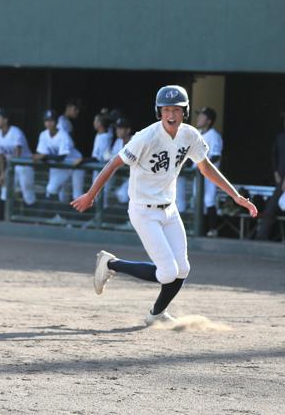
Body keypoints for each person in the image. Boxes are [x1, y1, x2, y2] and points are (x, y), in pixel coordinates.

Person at [71, 85, 257, 325]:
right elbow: (113, 164)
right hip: (143, 211)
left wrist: (235, 196)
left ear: (185, 112)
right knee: (167, 272)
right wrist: (90, 194)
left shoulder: (189, 135)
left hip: (169, 210)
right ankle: (110, 264)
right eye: (166, 109)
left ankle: (156, 314)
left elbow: (205, 166)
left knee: (183, 270)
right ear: (159, 112)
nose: (171, 114)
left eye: (177, 110)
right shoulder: (146, 137)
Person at [0, 108, 36, 219]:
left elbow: (17, 155)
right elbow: (0, 155)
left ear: (5, 120)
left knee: (27, 194)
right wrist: (2, 173)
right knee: (4, 191)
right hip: (12, 166)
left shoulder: (16, 132)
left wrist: (7, 173)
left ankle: (32, 222)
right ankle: (0, 220)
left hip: (25, 166)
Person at [33, 110, 82, 203]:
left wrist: (43, 157)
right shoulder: (43, 135)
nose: (49, 123)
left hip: (75, 163)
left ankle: (78, 217)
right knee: (54, 190)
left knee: (77, 195)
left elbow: (61, 157)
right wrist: (42, 157)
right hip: (61, 166)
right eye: (47, 120)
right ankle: (59, 216)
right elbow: (42, 155)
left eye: (51, 120)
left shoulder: (63, 135)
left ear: (56, 122)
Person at [255, 113, 285, 240]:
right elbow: (274, 154)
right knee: (270, 209)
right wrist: (275, 172)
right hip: (281, 180)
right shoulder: (281, 137)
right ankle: (261, 239)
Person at [194, 107, 223, 236]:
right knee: (197, 200)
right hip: (197, 174)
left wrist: (203, 164)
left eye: (202, 116)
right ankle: (202, 230)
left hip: (210, 175)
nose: (199, 118)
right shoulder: (197, 135)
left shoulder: (214, 136)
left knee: (208, 200)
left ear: (209, 121)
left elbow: (216, 155)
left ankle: (213, 229)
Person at [110, 117, 133, 204]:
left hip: (137, 177)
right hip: (123, 176)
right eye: (117, 128)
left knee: (122, 195)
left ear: (128, 130)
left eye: (120, 128)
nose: (117, 130)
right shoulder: (118, 142)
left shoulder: (135, 141)